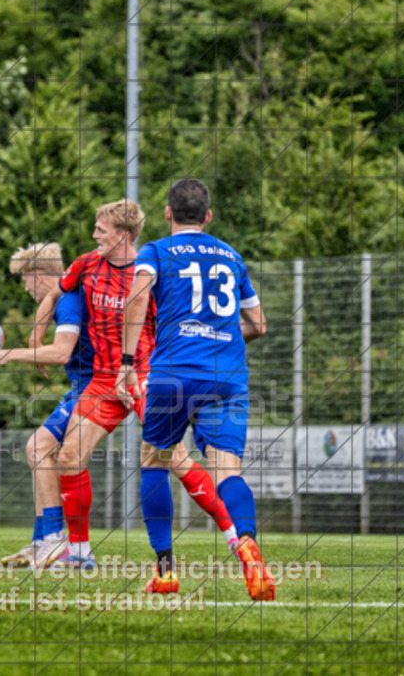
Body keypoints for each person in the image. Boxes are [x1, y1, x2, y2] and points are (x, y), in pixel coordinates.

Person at [119, 179, 274, 600]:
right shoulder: (231, 255)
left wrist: (128, 363)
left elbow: (138, 299)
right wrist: (221, 338)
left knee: (154, 463)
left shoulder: (156, 251)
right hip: (227, 377)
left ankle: (166, 572)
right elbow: (259, 325)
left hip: (174, 373)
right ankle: (247, 542)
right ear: (208, 216)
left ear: (168, 213)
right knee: (228, 472)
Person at [28, 200, 157, 570]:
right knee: (60, 454)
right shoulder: (85, 266)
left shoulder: (147, 271)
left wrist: (8, 354)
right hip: (101, 382)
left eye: (101, 229)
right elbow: (55, 293)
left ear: (124, 234)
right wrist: (36, 333)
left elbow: (62, 350)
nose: (94, 234)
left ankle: (236, 535)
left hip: (138, 376)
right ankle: (70, 549)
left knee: (171, 459)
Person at [0, 242, 95, 569]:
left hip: (95, 387)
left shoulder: (69, 300)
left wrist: (8, 354)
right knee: (40, 450)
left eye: (25, 280)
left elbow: (61, 352)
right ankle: (43, 539)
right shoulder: (64, 297)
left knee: (39, 448)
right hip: (82, 386)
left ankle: (55, 538)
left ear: (39, 277)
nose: (26, 288)